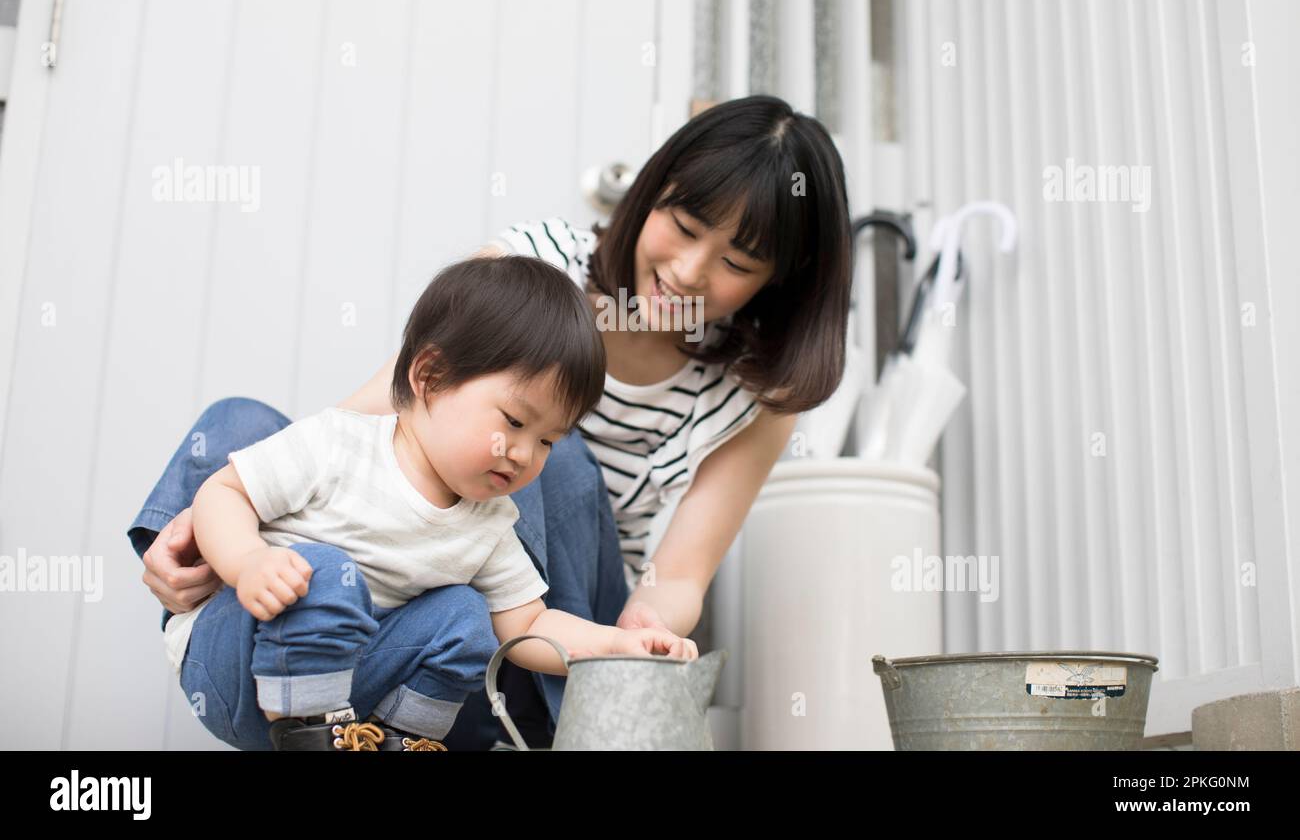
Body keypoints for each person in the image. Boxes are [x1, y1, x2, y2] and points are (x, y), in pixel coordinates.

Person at [133, 94, 854, 749]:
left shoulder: (756, 395)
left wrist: (633, 634)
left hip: (547, 621)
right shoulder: (535, 263)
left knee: (561, 466)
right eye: (685, 225)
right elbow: (382, 409)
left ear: (777, 280)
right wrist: (218, 522)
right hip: (416, 586)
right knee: (244, 429)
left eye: (734, 261)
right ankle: (212, 594)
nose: (691, 271)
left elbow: (680, 574)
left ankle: (520, 726)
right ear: (650, 192)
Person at [157, 256, 694, 750]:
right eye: (513, 421)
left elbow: (531, 626)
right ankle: (312, 735)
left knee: (464, 614)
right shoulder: (338, 445)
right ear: (430, 377)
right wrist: (248, 559)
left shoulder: (489, 524)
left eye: (549, 440)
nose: (526, 454)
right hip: (236, 659)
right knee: (328, 571)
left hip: (349, 690)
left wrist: (619, 648)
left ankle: (399, 739)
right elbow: (223, 492)